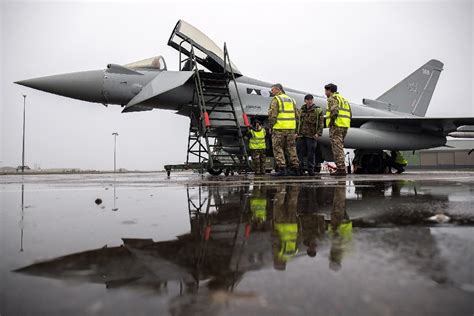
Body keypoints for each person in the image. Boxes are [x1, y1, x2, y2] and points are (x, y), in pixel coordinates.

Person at [267, 83, 300, 176]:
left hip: (279, 129)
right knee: (291, 148)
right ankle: (295, 169)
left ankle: (282, 169)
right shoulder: (291, 100)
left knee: (278, 148)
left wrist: (271, 127)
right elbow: (297, 116)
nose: (271, 92)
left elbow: (272, 115)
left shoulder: (276, 99)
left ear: (278, 89)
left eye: (272, 90)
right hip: (291, 129)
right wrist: (296, 129)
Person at [325, 83, 351, 176]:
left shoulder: (332, 98)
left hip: (336, 125)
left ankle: (340, 168)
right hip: (344, 125)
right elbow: (350, 113)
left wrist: (332, 122)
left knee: (337, 147)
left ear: (329, 90)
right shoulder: (343, 99)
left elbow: (334, 111)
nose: (325, 93)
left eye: (326, 91)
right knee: (340, 146)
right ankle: (341, 167)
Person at [296, 94, 324, 176]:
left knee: (311, 153)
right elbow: (298, 122)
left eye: (311, 100)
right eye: (308, 100)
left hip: (311, 135)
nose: (309, 101)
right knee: (299, 152)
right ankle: (299, 169)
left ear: (313, 100)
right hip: (301, 135)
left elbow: (321, 123)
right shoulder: (301, 110)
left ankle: (311, 170)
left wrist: (318, 133)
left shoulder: (317, 110)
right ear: (305, 101)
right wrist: (296, 133)